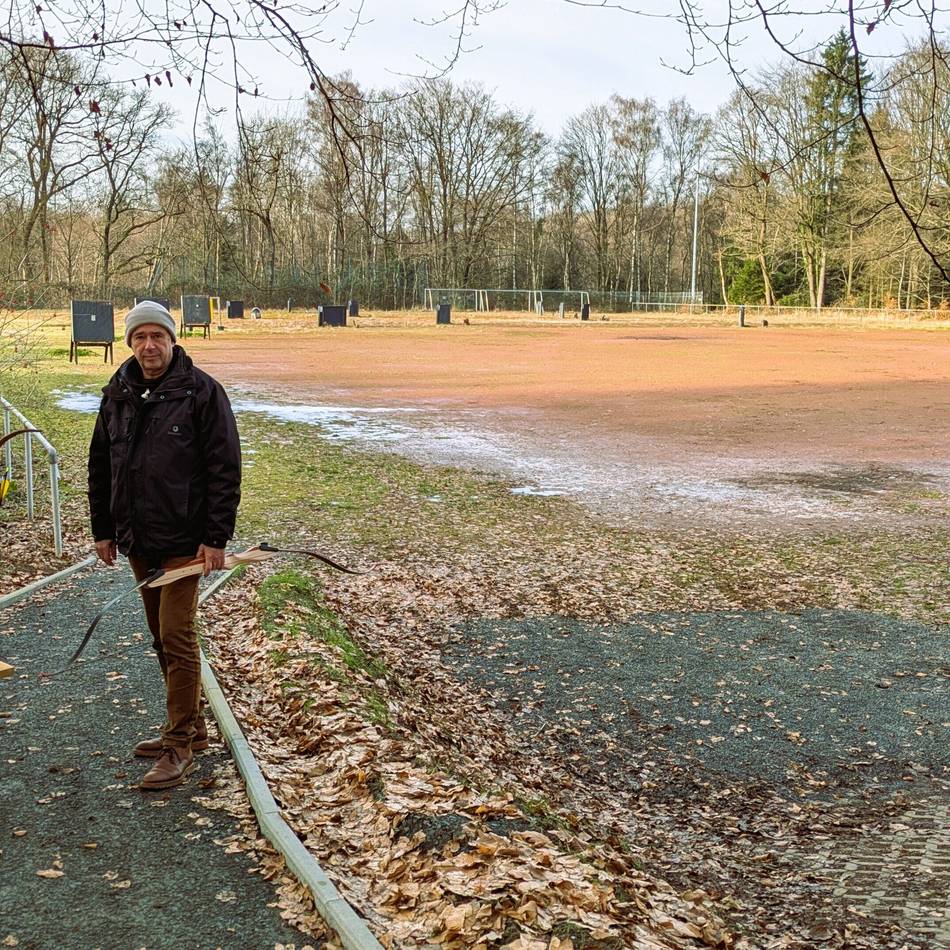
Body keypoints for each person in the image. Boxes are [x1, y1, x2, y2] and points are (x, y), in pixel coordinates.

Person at [88, 300, 241, 790]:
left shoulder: (201, 393)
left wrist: (214, 538)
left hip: (184, 543)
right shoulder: (117, 394)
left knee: (176, 633)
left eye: (158, 336)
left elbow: (224, 469)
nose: (149, 346)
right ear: (129, 343)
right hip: (139, 540)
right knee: (159, 634)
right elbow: (100, 467)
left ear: (173, 339)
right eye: (140, 337)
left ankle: (178, 746)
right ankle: (192, 726)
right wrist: (104, 529)